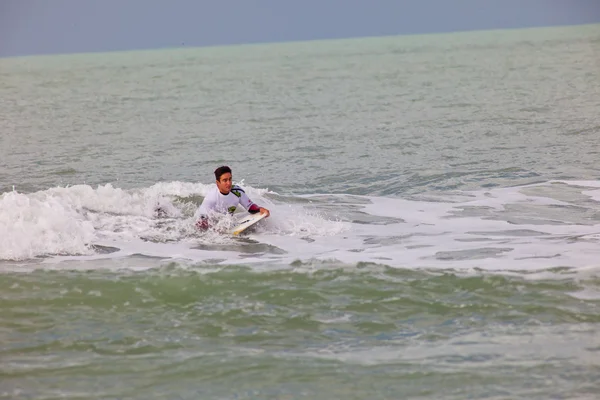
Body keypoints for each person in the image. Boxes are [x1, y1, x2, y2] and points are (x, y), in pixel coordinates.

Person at [196, 166, 270, 230]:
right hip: (213, 224)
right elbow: (201, 219)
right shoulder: (211, 197)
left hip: (228, 222)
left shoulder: (237, 192)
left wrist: (260, 209)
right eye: (225, 180)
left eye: (230, 179)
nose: (229, 183)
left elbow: (250, 207)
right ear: (218, 183)